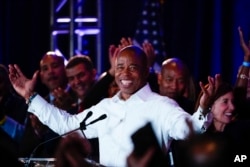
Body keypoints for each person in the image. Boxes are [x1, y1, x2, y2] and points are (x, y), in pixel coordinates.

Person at [8, 45, 211, 167]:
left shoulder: (162, 106)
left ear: (146, 70)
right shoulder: (106, 107)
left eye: (133, 67)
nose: (125, 74)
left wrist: (203, 109)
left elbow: (189, 131)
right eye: (120, 67)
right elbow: (67, 125)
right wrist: (30, 96)